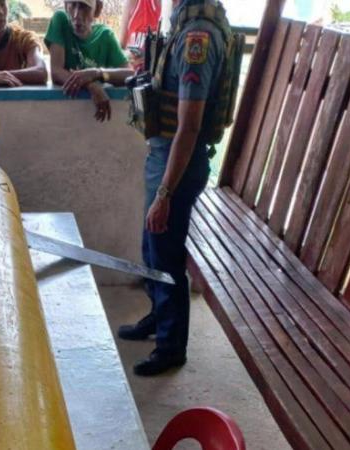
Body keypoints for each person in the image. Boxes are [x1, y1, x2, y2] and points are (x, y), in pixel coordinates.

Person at [118, 0, 228, 376]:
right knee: (151, 247)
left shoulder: (198, 37)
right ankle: (157, 317)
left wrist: (165, 194)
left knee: (165, 255)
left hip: (177, 164)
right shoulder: (183, 23)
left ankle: (171, 346)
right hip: (162, 154)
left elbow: (190, 127)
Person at [45, 0, 133, 121]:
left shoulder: (105, 36)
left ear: (97, 10)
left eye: (84, 7)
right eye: (72, 5)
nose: (76, 15)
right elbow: (56, 72)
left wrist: (98, 73)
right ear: (66, 6)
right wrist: (91, 85)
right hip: (63, 117)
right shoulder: (60, 20)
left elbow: (130, 74)